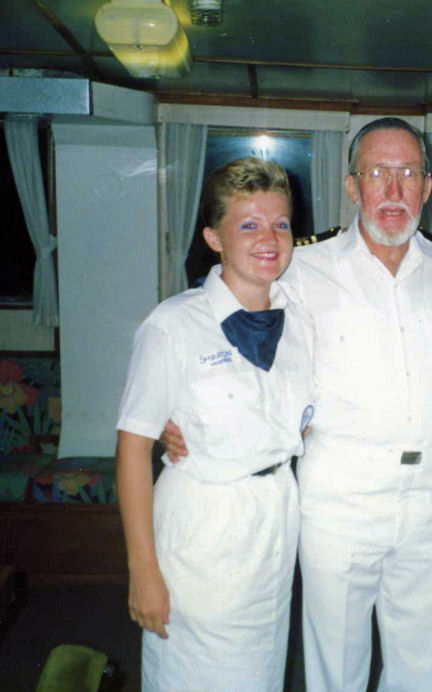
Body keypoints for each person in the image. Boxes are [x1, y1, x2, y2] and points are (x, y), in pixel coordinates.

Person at [162, 117, 432, 691]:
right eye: (377, 172)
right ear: (352, 186)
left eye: (407, 173)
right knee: (335, 668)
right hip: (340, 497)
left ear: (427, 186)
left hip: (430, 498)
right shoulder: (303, 266)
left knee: (422, 668)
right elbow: (224, 315)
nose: (393, 189)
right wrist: (177, 411)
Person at [115, 157, 313, 691]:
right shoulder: (173, 325)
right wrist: (143, 571)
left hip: (274, 521)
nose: (268, 238)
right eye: (248, 224)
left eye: (280, 223)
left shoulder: (301, 319)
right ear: (213, 237)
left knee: (260, 674)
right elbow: (132, 449)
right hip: (204, 527)